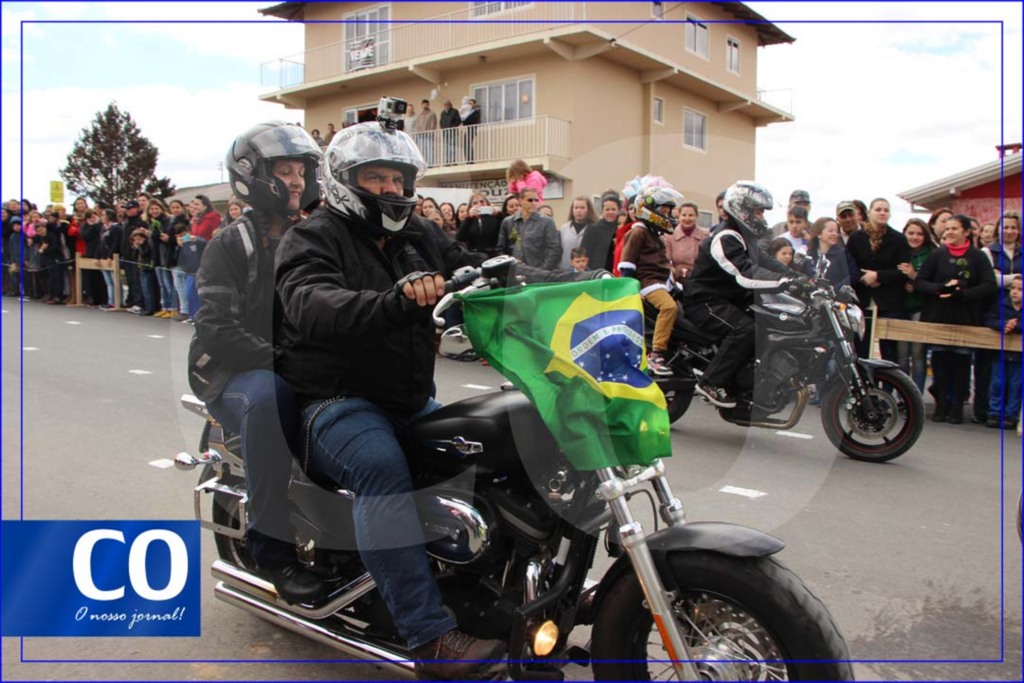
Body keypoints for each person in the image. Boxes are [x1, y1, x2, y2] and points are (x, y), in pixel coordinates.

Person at [273, 119, 505, 680]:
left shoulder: (416, 234)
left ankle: (483, 589)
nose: (391, 189)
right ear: (343, 181)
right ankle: (428, 637)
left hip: (409, 398)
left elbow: (469, 261)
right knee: (381, 467)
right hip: (334, 400)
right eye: (376, 177)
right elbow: (312, 304)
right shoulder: (312, 237)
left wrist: (556, 280)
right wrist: (394, 300)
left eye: (398, 178)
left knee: (488, 450)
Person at [187, 121, 328, 604]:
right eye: (284, 171)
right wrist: (281, 360)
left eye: (300, 171)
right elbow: (216, 328)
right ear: (254, 176)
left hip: (295, 363)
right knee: (270, 398)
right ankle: (272, 547)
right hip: (232, 371)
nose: (295, 180)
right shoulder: (232, 243)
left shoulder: (314, 236)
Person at [683, 181, 805, 407]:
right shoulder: (725, 237)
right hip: (705, 300)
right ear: (742, 210)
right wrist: (784, 282)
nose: (761, 217)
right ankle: (711, 382)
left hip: (729, 298)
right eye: (758, 211)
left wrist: (800, 278)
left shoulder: (745, 237)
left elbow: (766, 262)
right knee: (745, 329)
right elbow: (745, 273)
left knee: (769, 320)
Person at [914, 214, 997, 423]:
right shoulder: (937, 255)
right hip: (939, 316)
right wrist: (940, 288)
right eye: (947, 228)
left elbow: (989, 284)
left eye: (954, 228)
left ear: (966, 232)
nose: (949, 232)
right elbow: (921, 282)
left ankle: (957, 406)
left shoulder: (977, 257)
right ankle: (941, 405)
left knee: (961, 363)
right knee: (940, 362)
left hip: (966, 318)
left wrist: (964, 293)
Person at [618, 180, 685, 376]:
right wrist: (632, 290)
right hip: (649, 283)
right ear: (648, 210)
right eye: (663, 211)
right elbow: (627, 264)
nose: (668, 215)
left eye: (669, 211)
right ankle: (656, 354)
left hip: (662, 283)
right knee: (669, 307)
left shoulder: (656, 235)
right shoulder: (638, 232)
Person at [845, 197, 911, 362]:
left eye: (886, 210)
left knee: (889, 351)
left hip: (890, 301)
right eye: (878, 209)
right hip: (863, 298)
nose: (882, 213)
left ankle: (887, 380)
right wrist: (864, 277)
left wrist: (878, 276)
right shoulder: (856, 238)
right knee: (862, 348)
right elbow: (848, 265)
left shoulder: (898, 239)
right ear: (869, 213)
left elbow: (903, 271)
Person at [897, 218, 938, 392]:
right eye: (911, 233)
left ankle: (916, 394)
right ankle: (902, 394)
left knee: (918, 354)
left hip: (921, 307)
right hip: (901, 307)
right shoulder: (899, 250)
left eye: (919, 234)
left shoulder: (932, 254)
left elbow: (934, 282)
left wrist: (915, 277)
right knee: (902, 355)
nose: (915, 237)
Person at [984, 275, 1022, 429]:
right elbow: (988, 319)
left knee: (1016, 385)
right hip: (1000, 353)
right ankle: (994, 412)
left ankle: (1010, 415)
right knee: (997, 383)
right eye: (1013, 288)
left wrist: (1016, 326)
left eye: (1020, 289)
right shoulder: (1001, 304)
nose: (1015, 292)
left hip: (1019, 356)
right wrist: (1003, 324)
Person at [497, 186, 561, 270]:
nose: (534, 203)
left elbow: (554, 248)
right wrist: (509, 262)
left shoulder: (547, 222)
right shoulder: (508, 222)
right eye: (530, 200)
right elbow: (500, 249)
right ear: (520, 200)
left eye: (536, 200)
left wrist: (543, 269)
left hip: (539, 270)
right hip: (515, 270)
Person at [662, 200, 708, 283]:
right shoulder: (669, 236)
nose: (687, 218)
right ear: (679, 217)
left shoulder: (705, 236)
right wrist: (673, 272)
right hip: (676, 279)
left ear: (697, 216)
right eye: (684, 215)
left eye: (691, 215)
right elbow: (666, 261)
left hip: (699, 280)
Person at [558, 196, 596, 271]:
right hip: (565, 271)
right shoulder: (564, 228)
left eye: (582, 208)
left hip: (587, 272)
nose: (579, 210)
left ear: (588, 209)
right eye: (576, 208)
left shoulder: (594, 229)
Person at [411, 99, 437, 166]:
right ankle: (423, 164)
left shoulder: (432, 114)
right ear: (422, 105)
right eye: (424, 104)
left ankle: (431, 164)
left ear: (428, 105)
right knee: (422, 150)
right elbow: (417, 124)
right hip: (421, 135)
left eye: (426, 104)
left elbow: (433, 124)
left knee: (429, 149)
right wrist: (418, 132)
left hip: (428, 135)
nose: (425, 105)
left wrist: (430, 131)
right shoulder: (420, 115)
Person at [439, 100, 460, 165]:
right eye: (444, 105)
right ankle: (447, 160)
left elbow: (458, 121)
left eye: (447, 105)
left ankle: (453, 160)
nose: (446, 106)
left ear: (450, 105)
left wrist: (452, 127)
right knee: (447, 147)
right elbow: (441, 122)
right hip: (445, 133)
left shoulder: (454, 111)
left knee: (452, 147)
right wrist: (443, 128)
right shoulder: (443, 113)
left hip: (452, 132)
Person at [460, 97, 481, 163]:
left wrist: (465, 120)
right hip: (467, 129)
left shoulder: (476, 111)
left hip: (472, 129)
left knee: (468, 143)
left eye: (471, 103)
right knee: (465, 144)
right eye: (469, 103)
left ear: (474, 104)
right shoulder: (468, 111)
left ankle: (470, 160)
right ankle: (467, 159)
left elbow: (473, 119)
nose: (469, 105)